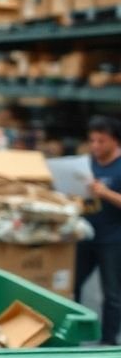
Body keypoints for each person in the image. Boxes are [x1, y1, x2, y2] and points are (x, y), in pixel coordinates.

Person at [76, 114, 121, 344]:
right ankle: (72, 335)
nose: (95, 146)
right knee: (71, 285)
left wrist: (105, 193)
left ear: (115, 141)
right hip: (84, 235)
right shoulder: (88, 164)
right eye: (92, 141)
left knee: (112, 295)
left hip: (112, 240)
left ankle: (109, 342)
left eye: (101, 141)